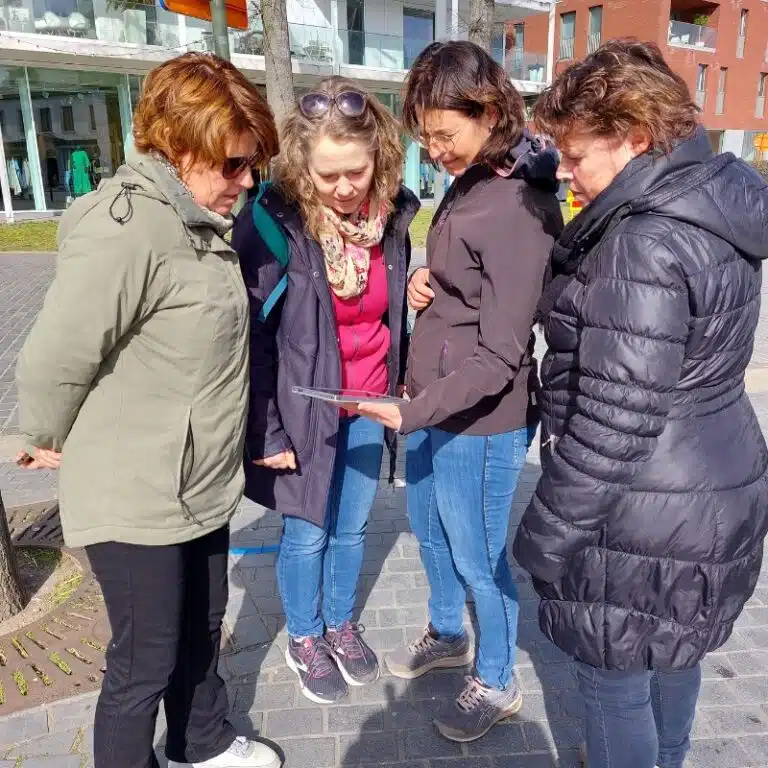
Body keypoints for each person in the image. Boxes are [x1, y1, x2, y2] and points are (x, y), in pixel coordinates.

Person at [16, 52, 281, 768]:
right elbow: (55, 353)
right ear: (178, 146)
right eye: (232, 164)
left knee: (202, 626)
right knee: (145, 660)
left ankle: (202, 740)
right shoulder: (127, 226)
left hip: (197, 479)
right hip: (136, 490)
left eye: (253, 164)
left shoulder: (202, 219)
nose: (246, 180)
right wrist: (36, 433)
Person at [512, 39, 768, 768]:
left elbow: (613, 424)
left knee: (614, 679)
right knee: (674, 655)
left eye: (575, 154)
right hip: (714, 483)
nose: (563, 169)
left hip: (642, 507)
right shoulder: (713, 206)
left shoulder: (641, 242)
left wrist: (545, 535)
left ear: (633, 137)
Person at [357, 40, 563, 743]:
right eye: (427, 137)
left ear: (489, 112)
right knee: (430, 530)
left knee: (478, 555)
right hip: (434, 401)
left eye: (444, 134)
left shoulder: (517, 205)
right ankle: (448, 633)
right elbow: (466, 283)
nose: (435, 150)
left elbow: (503, 352)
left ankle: (498, 679)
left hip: (481, 418)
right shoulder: (473, 179)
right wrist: (427, 282)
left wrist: (412, 411)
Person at [232, 77, 418, 705]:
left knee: (352, 528)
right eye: (327, 174)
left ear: (379, 159)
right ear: (301, 166)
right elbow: (253, 340)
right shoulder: (274, 225)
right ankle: (304, 636)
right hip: (302, 408)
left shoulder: (392, 216)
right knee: (308, 531)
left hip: (369, 401)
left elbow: (391, 312)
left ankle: (340, 624)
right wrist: (266, 432)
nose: (343, 188)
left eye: (356, 172)